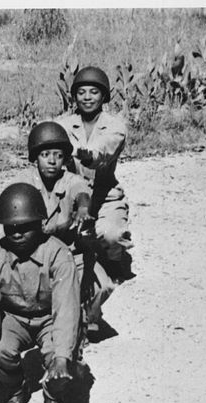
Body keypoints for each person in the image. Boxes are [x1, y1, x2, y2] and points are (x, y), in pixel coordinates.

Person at [0, 183, 80, 403]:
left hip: (50, 319)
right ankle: (17, 388)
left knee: (60, 361)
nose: (17, 234)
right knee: (1, 353)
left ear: (39, 224)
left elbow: (66, 307)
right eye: (11, 228)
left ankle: (53, 394)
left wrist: (61, 356)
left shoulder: (58, 254)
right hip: (15, 319)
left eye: (24, 227)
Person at [17, 120, 114, 336]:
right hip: (35, 257)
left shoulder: (70, 179)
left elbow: (81, 191)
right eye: (45, 155)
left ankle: (87, 314)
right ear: (35, 158)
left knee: (102, 285)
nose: (52, 161)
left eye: (58, 155)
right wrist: (61, 227)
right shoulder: (24, 184)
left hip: (69, 254)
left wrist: (82, 209)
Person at [54, 66, 132, 282]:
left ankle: (115, 261)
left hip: (104, 196)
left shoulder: (115, 126)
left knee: (111, 236)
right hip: (72, 197)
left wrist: (82, 154)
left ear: (104, 96)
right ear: (74, 96)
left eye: (94, 92)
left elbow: (103, 151)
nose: (87, 98)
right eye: (81, 92)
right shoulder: (63, 125)